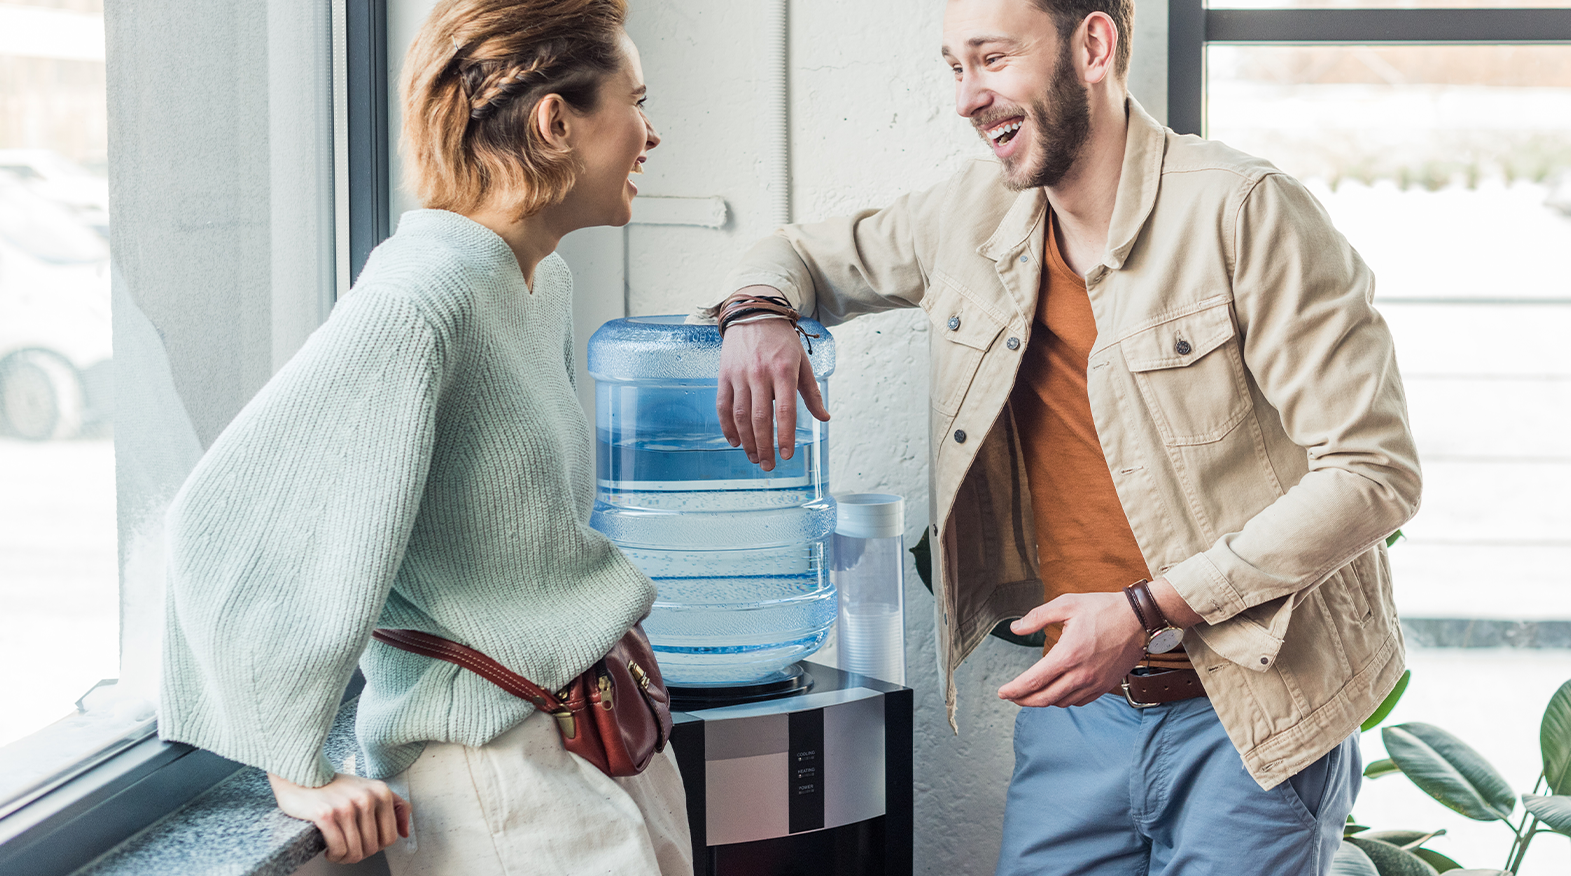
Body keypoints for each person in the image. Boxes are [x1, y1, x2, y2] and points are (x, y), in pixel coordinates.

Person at [712, 0, 1421, 873]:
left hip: (1251, 719)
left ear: (1093, 44)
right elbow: (801, 255)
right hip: (1075, 718)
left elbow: (1372, 471)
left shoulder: (1246, 211)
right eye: (954, 67)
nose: (968, 97)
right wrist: (756, 313)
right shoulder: (968, 215)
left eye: (993, 59)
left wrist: (1145, 611)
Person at [158, 1, 692, 872]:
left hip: (599, 739)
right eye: (634, 100)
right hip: (501, 785)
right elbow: (219, 520)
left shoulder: (533, 281)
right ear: (556, 123)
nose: (650, 132)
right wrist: (295, 763)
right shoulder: (423, 299)